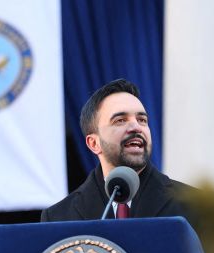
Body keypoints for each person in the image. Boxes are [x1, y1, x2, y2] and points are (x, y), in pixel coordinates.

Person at [41, 79, 193, 222]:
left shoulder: (192, 204)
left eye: (142, 120)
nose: (136, 127)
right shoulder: (59, 217)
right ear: (94, 143)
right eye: (120, 120)